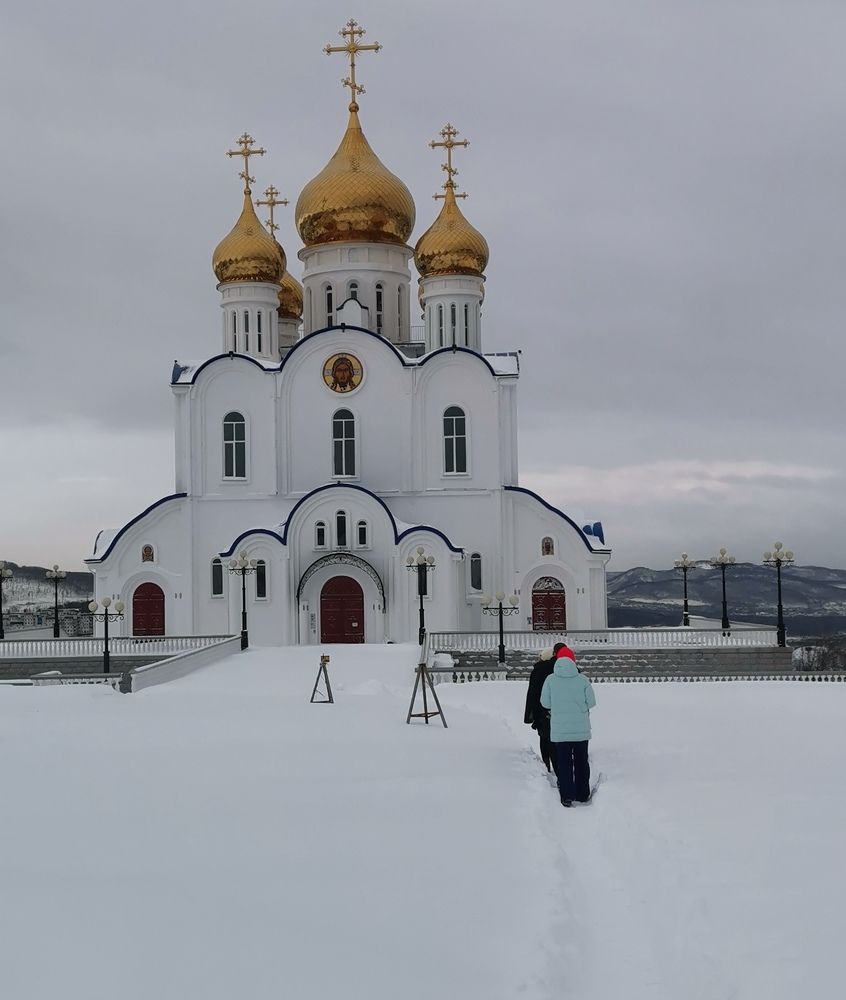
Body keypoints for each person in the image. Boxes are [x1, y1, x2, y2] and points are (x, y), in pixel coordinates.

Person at [540, 645, 596, 807]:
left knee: (564, 763)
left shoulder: (550, 680)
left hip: (560, 730)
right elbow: (592, 702)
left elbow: (545, 702)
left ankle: (567, 795)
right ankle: (582, 793)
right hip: (581, 730)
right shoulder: (583, 679)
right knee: (581, 761)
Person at [524, 642, 566, 774]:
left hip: (540, 710)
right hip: (556, 709)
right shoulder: (557, 669)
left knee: (544, 737)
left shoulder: (538, 670)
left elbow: (532, 693)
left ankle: (547, 763)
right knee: (556, 738)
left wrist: (530, 713)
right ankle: (558, 766)